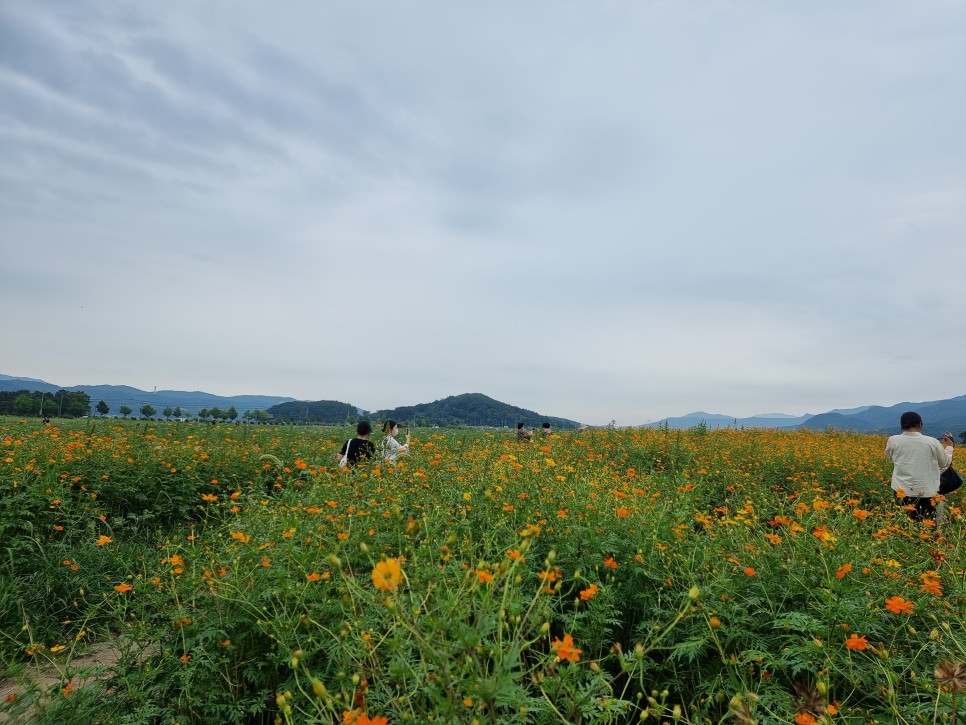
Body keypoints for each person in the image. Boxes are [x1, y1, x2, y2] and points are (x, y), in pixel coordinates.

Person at [885, 411, 954, 522]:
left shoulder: (893, 440)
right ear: (920, 424)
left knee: (904, 521)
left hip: (901, 490)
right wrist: (950, 447)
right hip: (927, 491)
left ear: (901, 426)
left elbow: (889, 457)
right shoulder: (932, 442)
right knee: (927, 523)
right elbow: (945, 463)